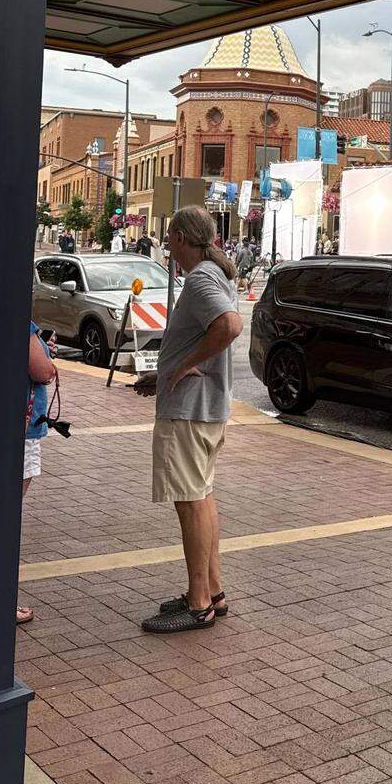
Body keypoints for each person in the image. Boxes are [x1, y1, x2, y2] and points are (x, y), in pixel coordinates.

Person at [133, 206, 242, 633]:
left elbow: (230, 326)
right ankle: (212, 592)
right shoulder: (216, 275)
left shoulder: (199, 280)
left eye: (168, 236)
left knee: (191, 503)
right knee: (202, 497)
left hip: (189, 412)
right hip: (205, 409)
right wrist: (164, 373)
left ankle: (198, 604)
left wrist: (182, 368)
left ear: (180, 236)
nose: (166, 244)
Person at [20, 321, 57, 625]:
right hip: (23, 430)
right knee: (6, 518)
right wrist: (48, 360)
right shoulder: (22, 322)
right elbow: (41, 372)